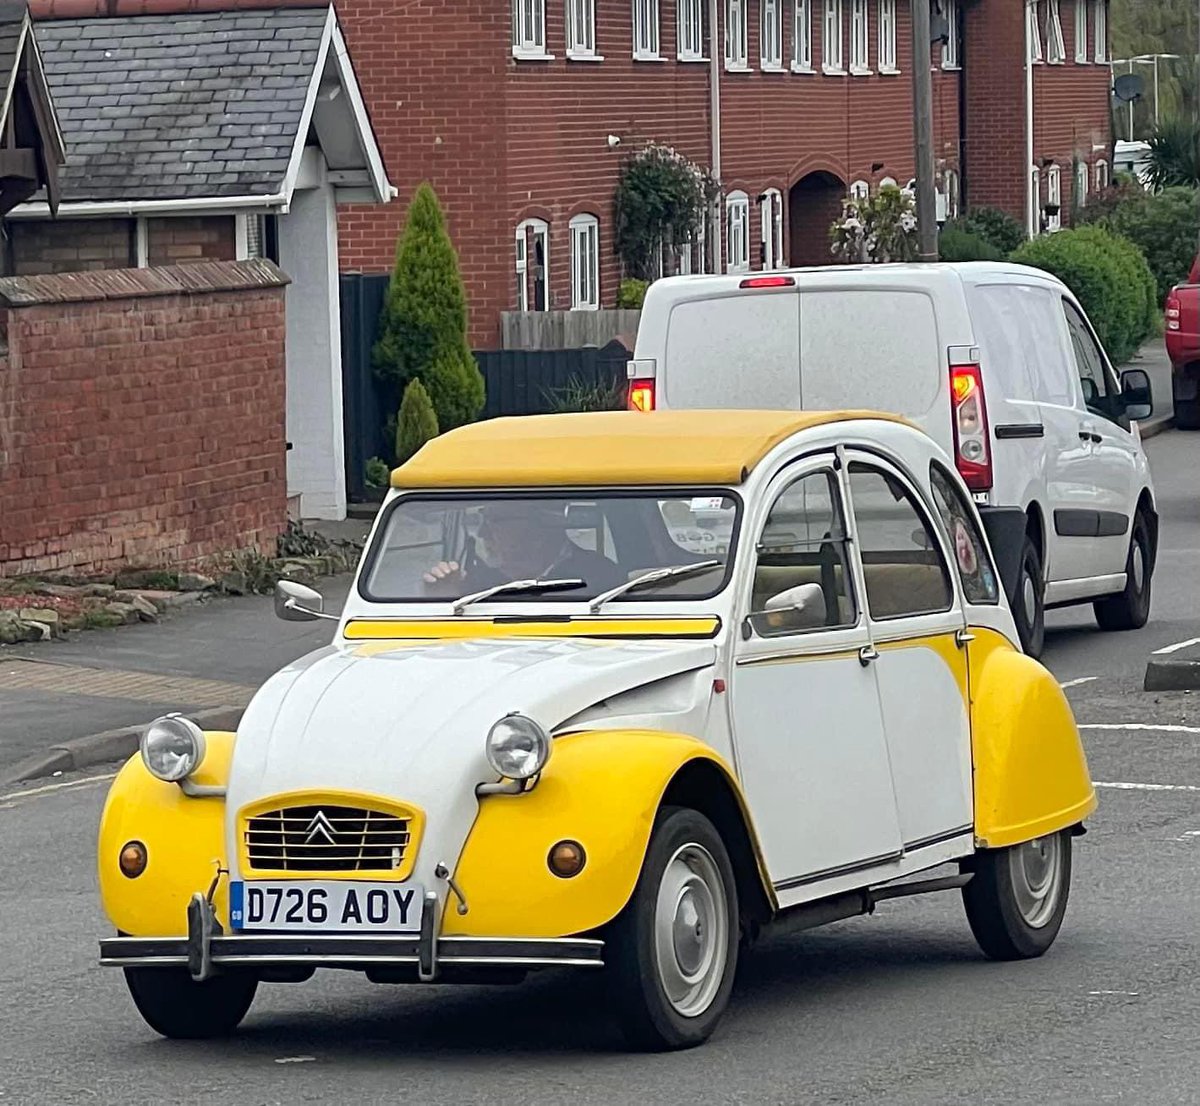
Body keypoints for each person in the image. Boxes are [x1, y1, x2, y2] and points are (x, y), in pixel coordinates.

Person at [422, 501, 623, 596]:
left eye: (496, 521)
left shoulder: (599, 575)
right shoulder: (473, 582)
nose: (483, 533)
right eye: (483, 521)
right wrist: (445, 596)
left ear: (541, 524)